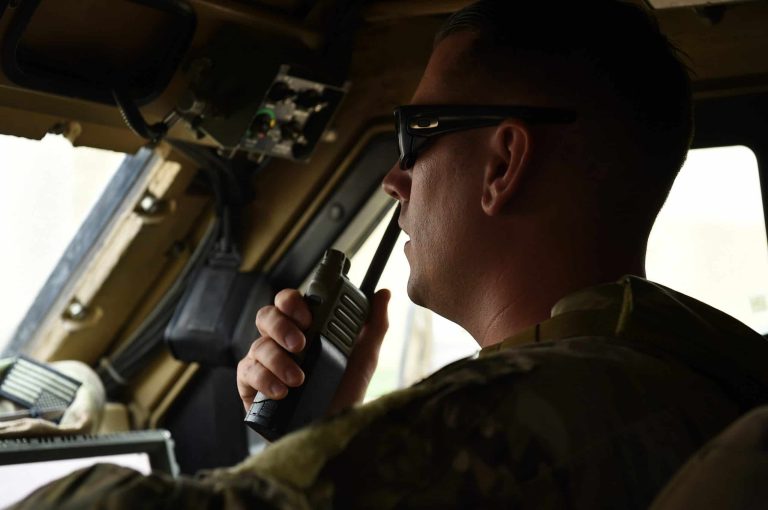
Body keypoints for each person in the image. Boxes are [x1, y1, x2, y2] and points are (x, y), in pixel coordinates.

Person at [13, 1, 768, 508]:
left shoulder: (501, 419)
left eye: (415, 135)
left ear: (504, 165)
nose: (393, 178)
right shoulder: (705, 375)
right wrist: (327, 426)